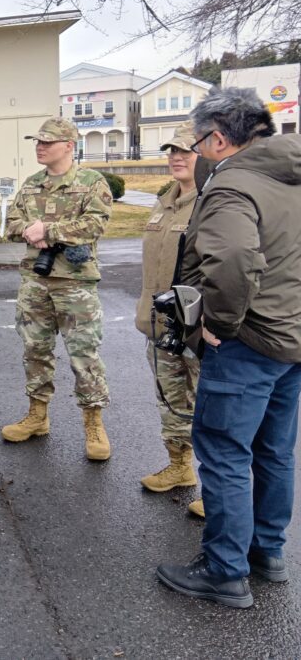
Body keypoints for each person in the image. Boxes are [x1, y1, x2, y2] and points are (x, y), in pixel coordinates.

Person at [157, 88, 301, 609]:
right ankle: (267, 553)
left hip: (247, 343)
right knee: (275, 452)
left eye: (198, 143)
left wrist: (217, 323)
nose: (196, 153)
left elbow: (234, 257)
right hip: (291, 340)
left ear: (218, 139)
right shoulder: (290, 177)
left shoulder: (232, 186)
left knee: (224, 453)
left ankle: (224, 571)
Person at [1, 116, 114, 461]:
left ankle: (94, 424)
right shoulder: (32, 184)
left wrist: (47, 231)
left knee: (84, 355)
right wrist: (28, 230)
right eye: (38, 141)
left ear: (68, 145)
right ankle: (37, 416)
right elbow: (11, 223)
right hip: (35, 282)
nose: (40, 147)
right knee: (35, 350)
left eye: (47, 142)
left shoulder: (91, 182)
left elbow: (95, 224)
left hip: (75, 283)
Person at [134, 125, 204, 516]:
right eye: (171, 151)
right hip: (160, 324)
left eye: (185, 151)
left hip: (196, 328)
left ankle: (219, 488)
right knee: (171, 399)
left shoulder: (212, 201)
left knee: (209, 406)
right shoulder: (164, 202)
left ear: (205, 156)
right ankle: (179, 466)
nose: (176, 157)